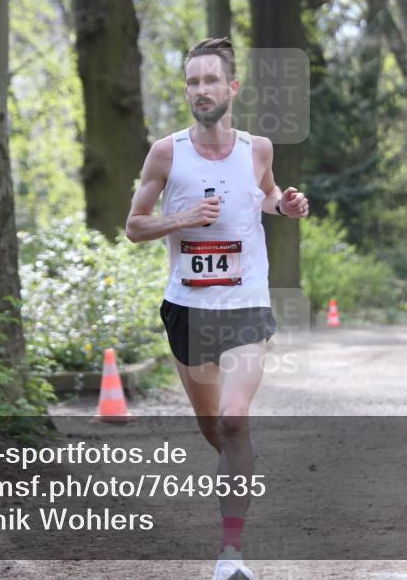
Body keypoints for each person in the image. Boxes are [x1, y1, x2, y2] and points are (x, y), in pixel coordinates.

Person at [126, 37, 309, 580]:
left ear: (231, 88)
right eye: (191, 82)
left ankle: (231, 555)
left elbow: (269, 194)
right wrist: (180, 220)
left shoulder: (258, 149)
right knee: (217, 431)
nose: (200, 90)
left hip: (246, 303)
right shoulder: (167, 152)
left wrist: (287, 204)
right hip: (187, 309)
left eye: (210, 80)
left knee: (233, 419)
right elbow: (135, 227)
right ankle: (239, 463)